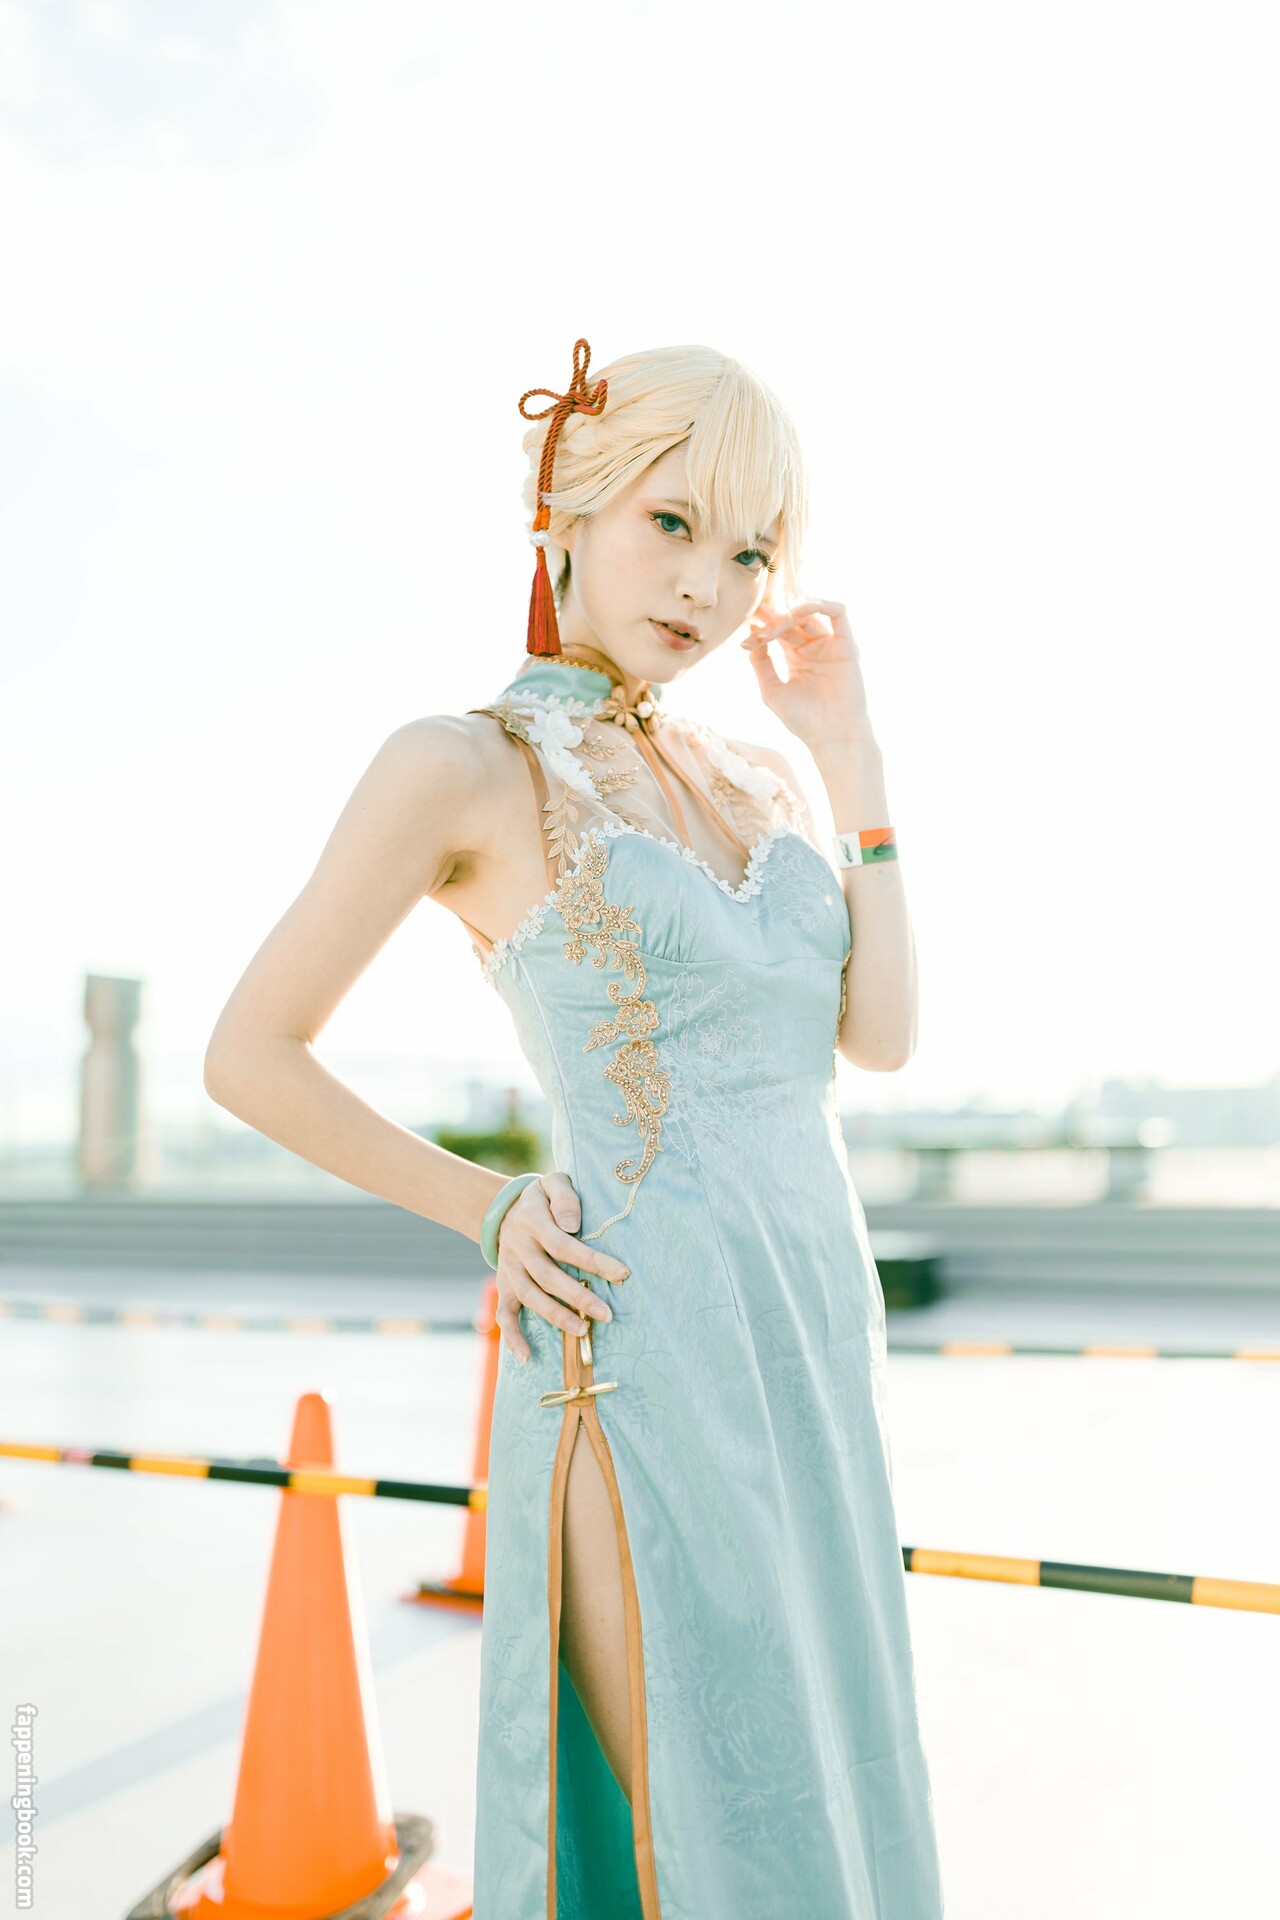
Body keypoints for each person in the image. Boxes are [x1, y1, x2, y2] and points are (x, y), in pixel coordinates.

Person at [203, 338, 944, 1919]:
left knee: (848, 1769)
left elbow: (878, 1038)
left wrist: (853, 757)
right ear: (568, 506)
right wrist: (484, 1207)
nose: (708, 586)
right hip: (643, 1344)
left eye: (749, 552)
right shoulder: (462, 766)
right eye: (671, 524)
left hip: (817, 1338)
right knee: (719, 1832)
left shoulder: (761, 777)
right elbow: (249, 1053)